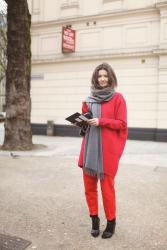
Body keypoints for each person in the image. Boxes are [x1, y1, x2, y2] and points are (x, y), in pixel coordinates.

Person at [78, 63, 128, 239]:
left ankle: (111, 222)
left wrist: (101, 121)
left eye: (105, 76)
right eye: (99, 76)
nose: (102, 79)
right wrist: (82, 122)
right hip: (89, 151)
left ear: (110, 77)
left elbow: (122, 124)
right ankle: (94, 221)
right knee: (89, 189)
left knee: (107, 190)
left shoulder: (118, 98)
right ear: (95, 78)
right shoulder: (88, 99)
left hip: (107, 153)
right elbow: (84, 125)